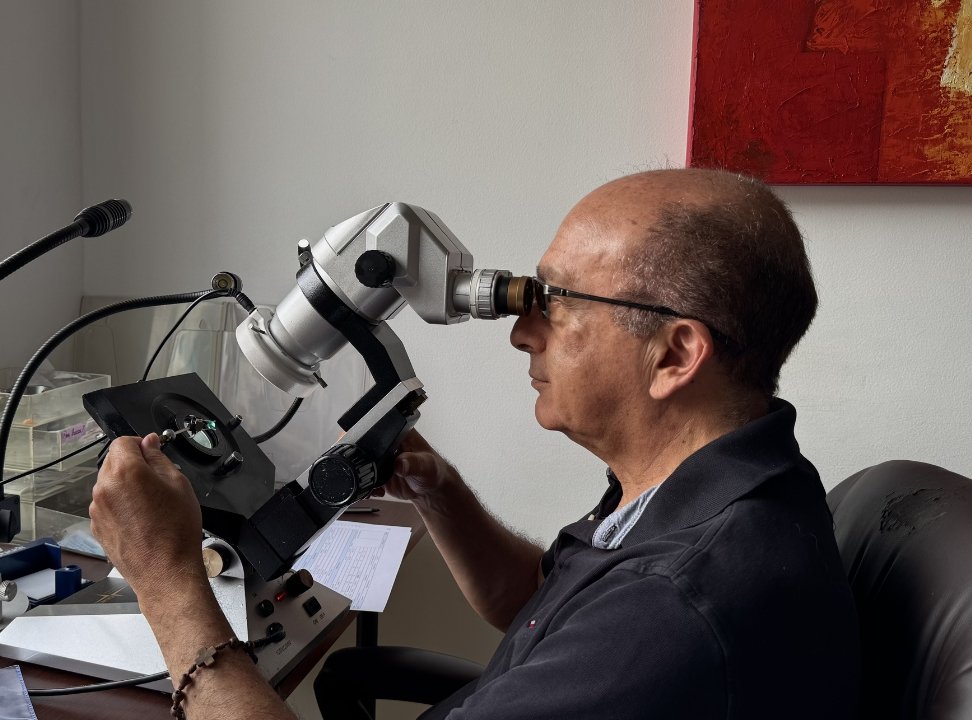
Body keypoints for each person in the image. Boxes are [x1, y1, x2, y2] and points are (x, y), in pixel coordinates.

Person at [90, 168, 860, 720]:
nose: (524, 331)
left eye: (556, 303)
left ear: (674, 356)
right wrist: (441, 494)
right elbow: (538, 606)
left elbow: (631, 628)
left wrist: (167, 583)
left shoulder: (677, 604)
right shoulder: (700, 492)